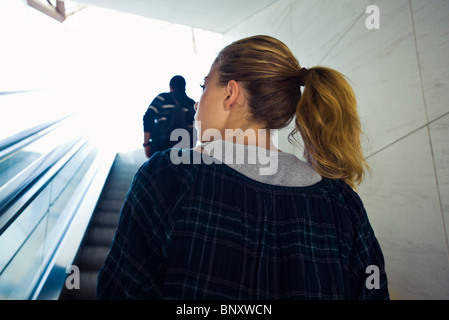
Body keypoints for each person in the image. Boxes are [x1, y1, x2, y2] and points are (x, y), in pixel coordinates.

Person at [97, 35, 389, 300]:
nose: (196, 105)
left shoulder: (169, 177)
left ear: (230, 93)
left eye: (204, 86)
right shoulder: (343, 204)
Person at [142, 75, 196, 158]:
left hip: (161, 146)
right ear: (184, 87)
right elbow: (196, 128)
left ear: (171, 87)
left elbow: (148, 117)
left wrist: (146, 144)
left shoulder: (163, 97)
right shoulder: (192, 104)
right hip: (184, 151)